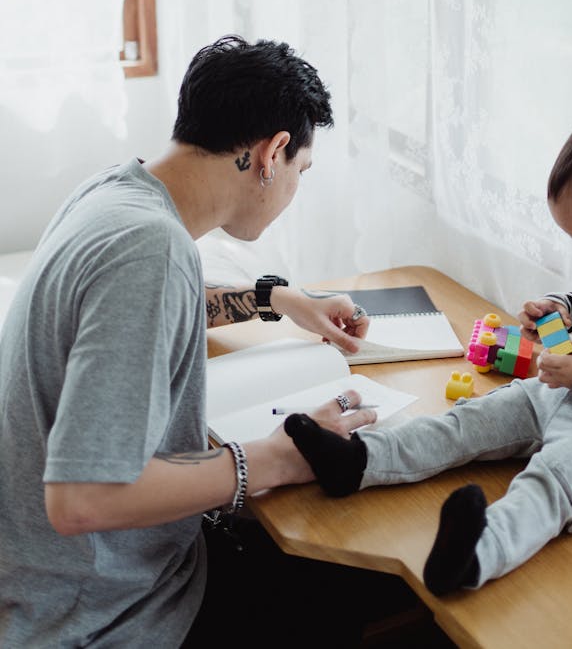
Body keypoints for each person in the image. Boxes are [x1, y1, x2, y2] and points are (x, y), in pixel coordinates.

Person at [0, 35, 424, 648]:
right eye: (301, 170)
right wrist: (275, 458)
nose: (295, 186)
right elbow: (83, 499)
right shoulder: (151, 251)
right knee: (374, 585)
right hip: (103, 614)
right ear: (272, 153)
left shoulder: (115, 194)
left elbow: (138, 308)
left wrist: (276, 300)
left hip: (62, 579)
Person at [285, 116, 572, 596]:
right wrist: (561, 310)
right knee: (467, 421)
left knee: (555, 482)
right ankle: (359, 461)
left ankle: (477, 554)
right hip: (566, 388)